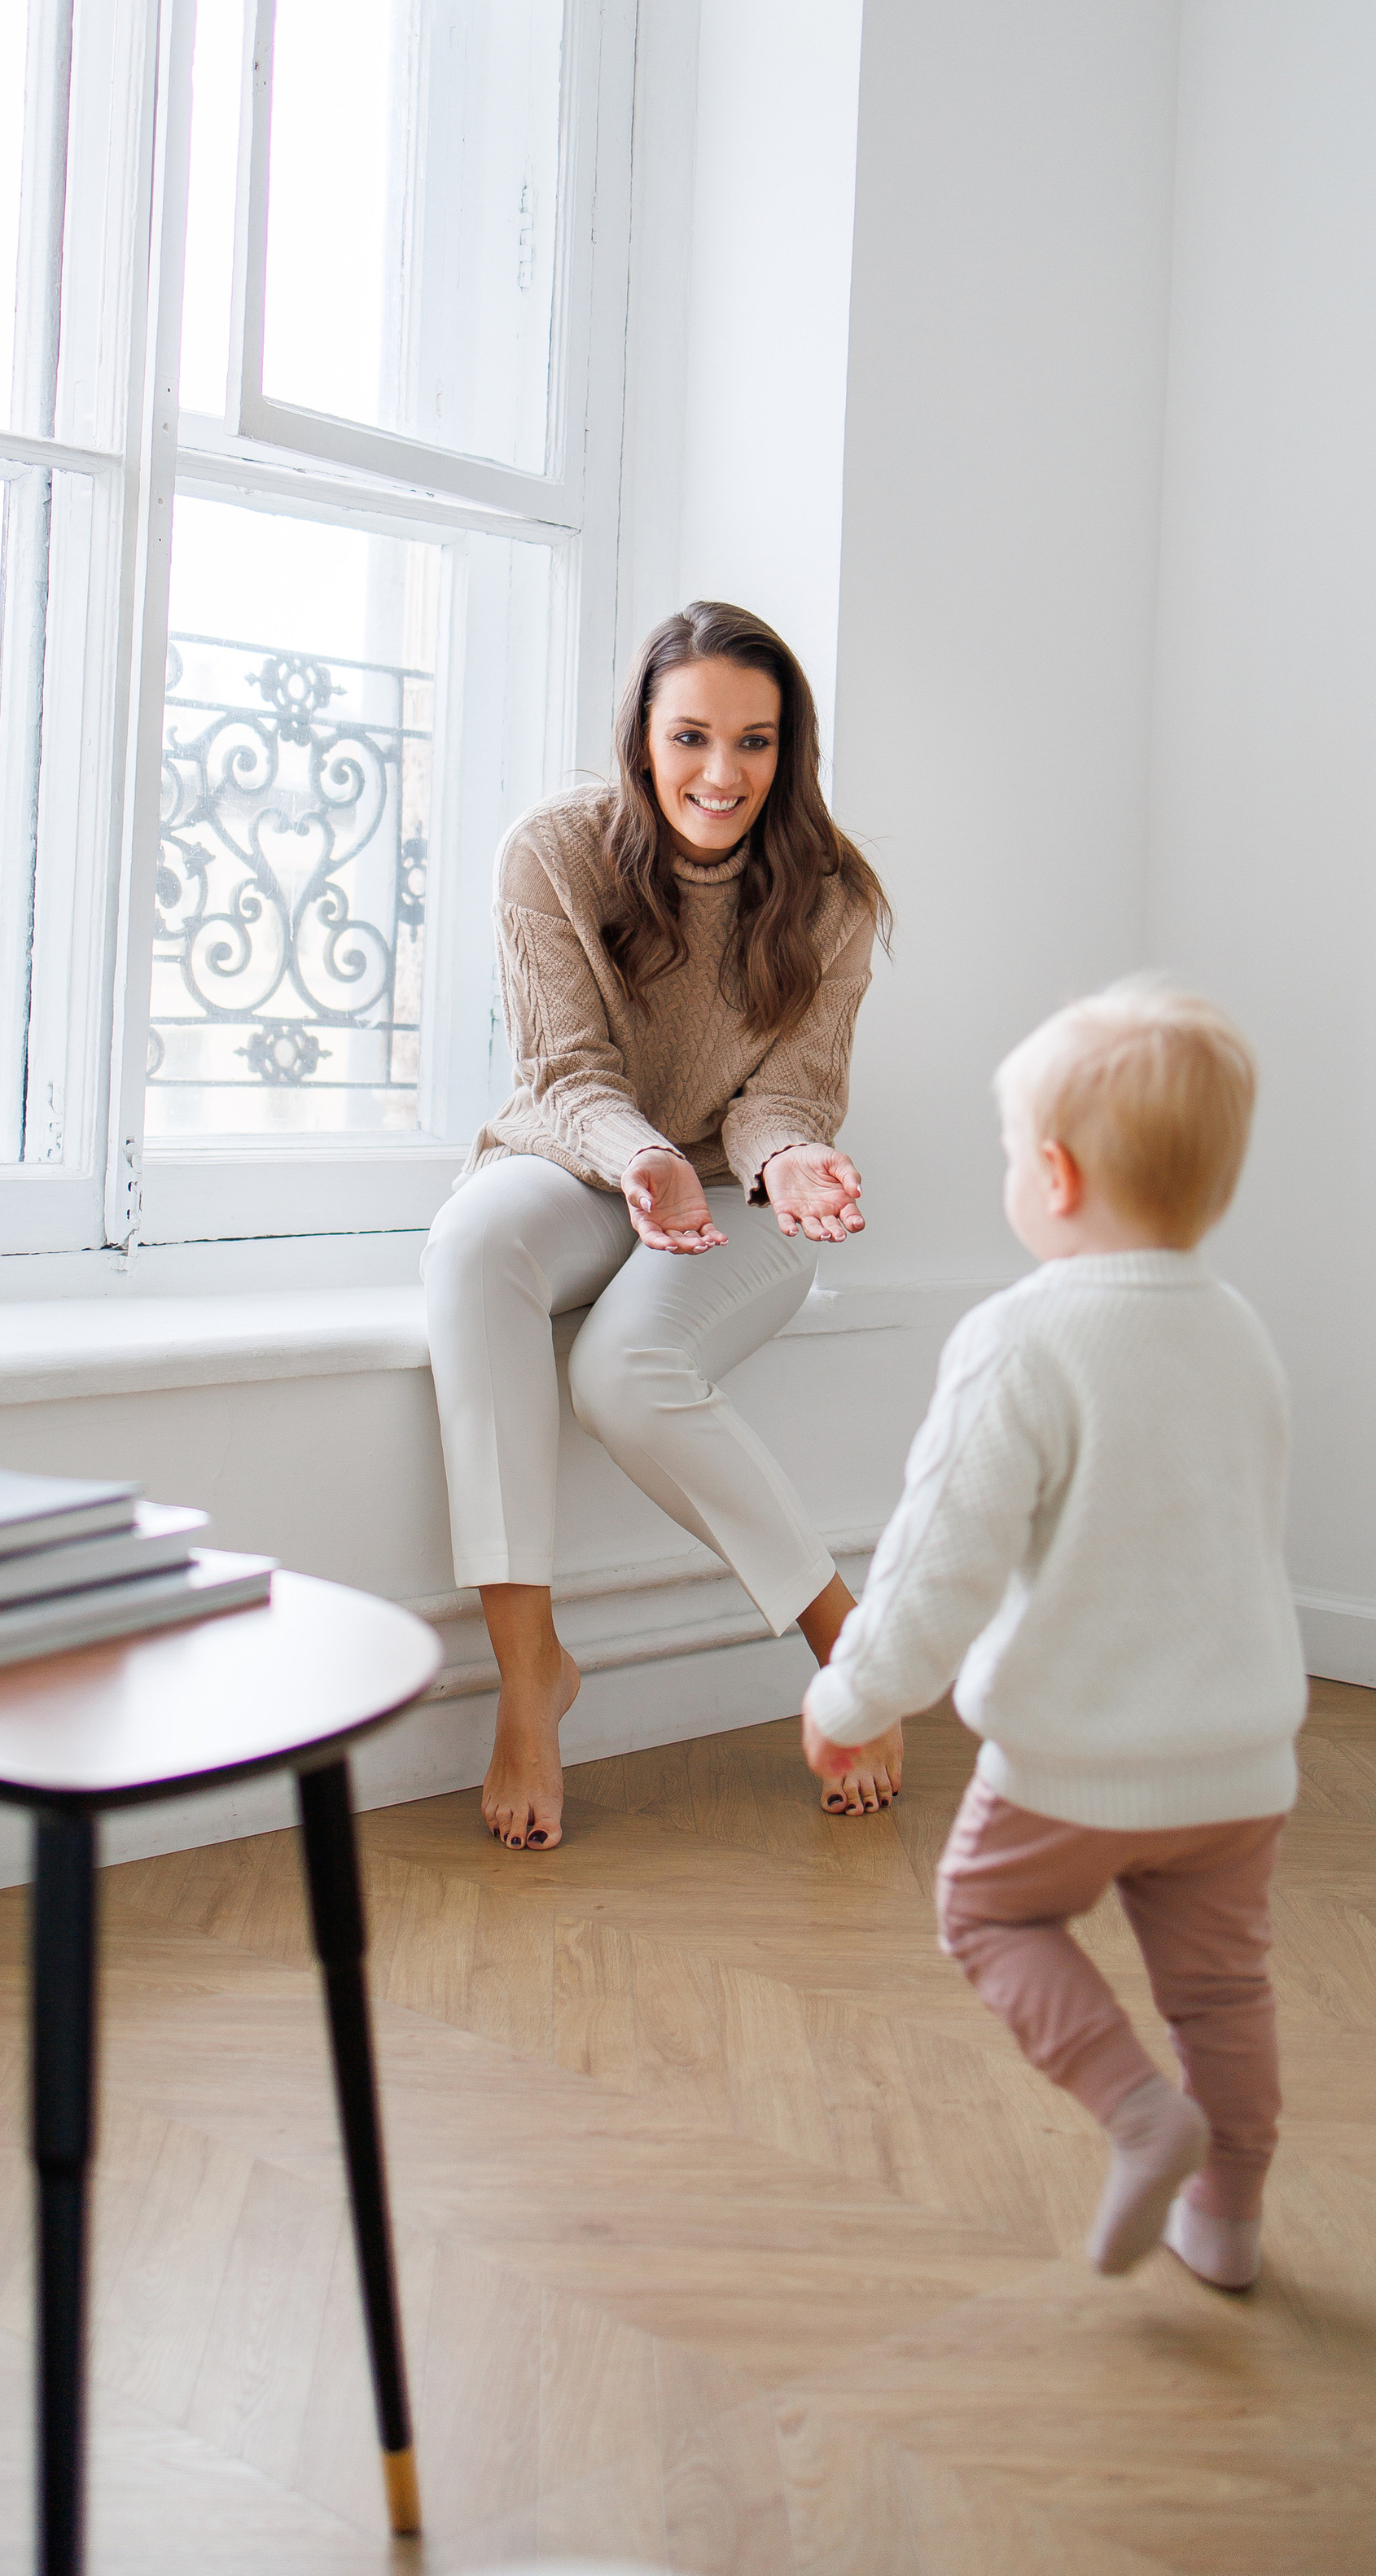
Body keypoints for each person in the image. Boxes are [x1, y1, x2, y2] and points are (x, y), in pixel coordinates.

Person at [802, 981, 1306, 2289]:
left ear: (1057, 1176)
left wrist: (855, 1695)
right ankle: (1232, 2220)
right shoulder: (1242, 1331)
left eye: (1009, 1155)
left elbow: (937, 1564)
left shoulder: (1023, 1336)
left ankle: (1139, 2111)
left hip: (1075, 1760)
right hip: (1239, 1761)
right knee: (1223, 1993)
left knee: (989, 1917)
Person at [423, 600, 896, 1851]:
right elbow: (566, 1074)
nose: (722, 774)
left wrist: (789, 1160)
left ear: (790, 750)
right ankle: (532, 1670)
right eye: (691, 737)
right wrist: (641, 1164)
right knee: (472, 1248)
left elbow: (787, 1097)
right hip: (587, 1157)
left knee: (628, 1371)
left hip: (748, 1191)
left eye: (757, 742)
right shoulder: (553, 854)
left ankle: (846, 1645)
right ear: (640, 735)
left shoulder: (835, 897)